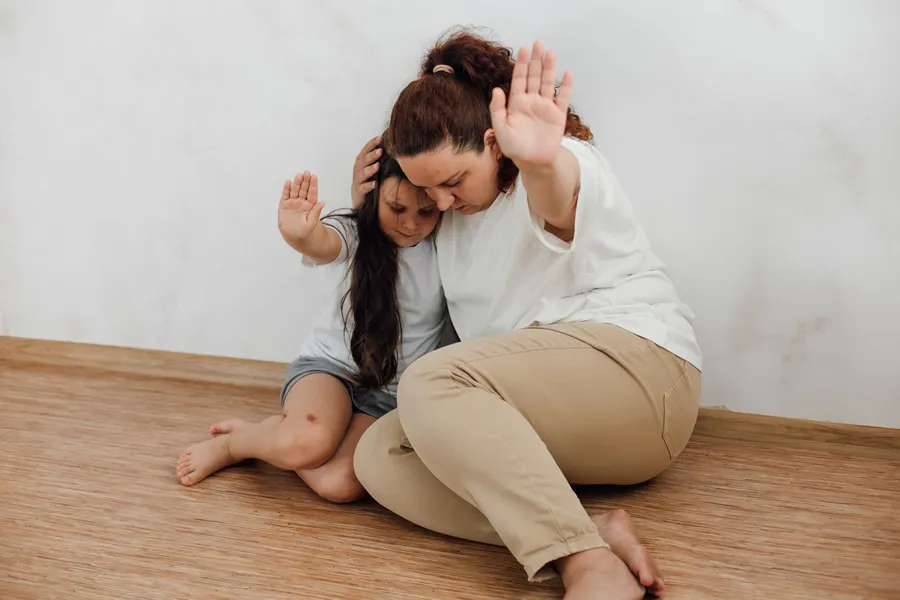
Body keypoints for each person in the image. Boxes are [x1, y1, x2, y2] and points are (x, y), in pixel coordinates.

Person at [352, 31, 703, 599]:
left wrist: (541, 163)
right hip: (560, 416)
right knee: (379, 453)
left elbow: (558, 207)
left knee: (432, 380)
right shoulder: (450, 219)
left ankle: (587, 566)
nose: (440, 202)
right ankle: (587, 536)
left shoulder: (559, 166)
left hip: (643, 374)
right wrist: (372, 210)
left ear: (494, 144)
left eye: (451, 182)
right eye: (423, 188)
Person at [176, 144, 446, 504]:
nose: (411, 223)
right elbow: (323, 243)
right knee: (307, 444)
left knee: (340, 484)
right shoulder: (355, 231)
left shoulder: (446, 246)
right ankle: (236, 444)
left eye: (426, 212)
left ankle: (270, 434)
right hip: (330, 369)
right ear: (373, 194)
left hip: (388, 392)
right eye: (397, 208)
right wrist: (298, 234)